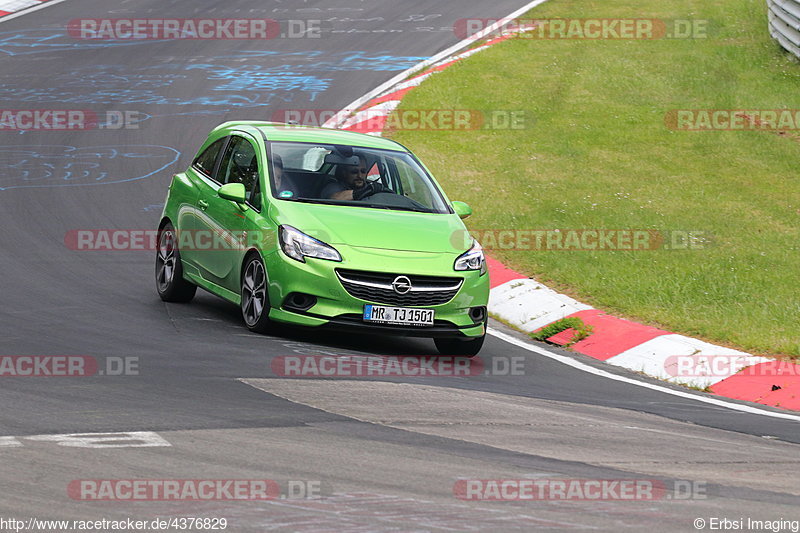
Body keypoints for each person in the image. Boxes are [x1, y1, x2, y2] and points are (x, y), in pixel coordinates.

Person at [321, 154, 386, 201]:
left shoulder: (372, 187)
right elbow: (334, 199)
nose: (359, 176)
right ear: (344, 173)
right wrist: (364, 191)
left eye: (363, 171)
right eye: (354, 172)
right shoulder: (333, 187)